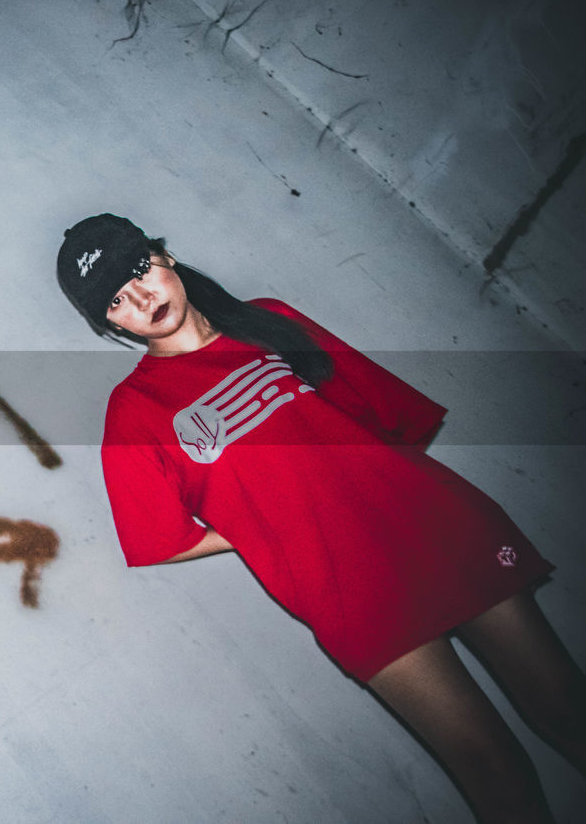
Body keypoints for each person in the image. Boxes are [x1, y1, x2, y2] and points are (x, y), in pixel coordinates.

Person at [56, 214, 585, 823]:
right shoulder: (135, 411)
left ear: (163, 256)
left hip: (436, 531)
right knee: (490, 765)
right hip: (346, 588)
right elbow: (158, 539)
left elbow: (385, 416)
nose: (142, 299)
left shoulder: (267, 321)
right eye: (117, 302)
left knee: (566, 706)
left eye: (140, 270)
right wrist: (262, 524)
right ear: (109, 325)